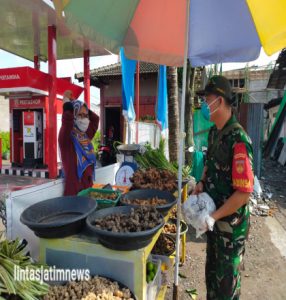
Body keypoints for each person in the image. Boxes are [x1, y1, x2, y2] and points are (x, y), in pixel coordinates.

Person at [193, 75, 254, 300]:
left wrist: (214, 216)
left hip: (230, 229)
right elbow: (209, 164)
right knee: (212, 281)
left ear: (218, 101)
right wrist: (201, 182)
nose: (203, 105)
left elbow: (244, 193)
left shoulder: (238, 139)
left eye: (206, 99)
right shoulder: (214, 133)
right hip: (215, 226)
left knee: (226, 288)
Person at [59, 98, 99, 196]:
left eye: (85, 116)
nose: (84, 119)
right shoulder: (66, 138)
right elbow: (67, 121)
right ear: (74, 116)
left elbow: (95, 119)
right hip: (74, 193)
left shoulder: (85, 136)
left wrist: (84, 108)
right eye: (80, 115)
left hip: (88, 191)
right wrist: (68, 105)